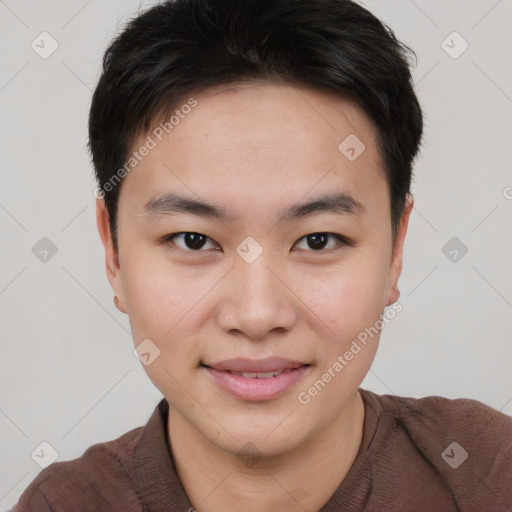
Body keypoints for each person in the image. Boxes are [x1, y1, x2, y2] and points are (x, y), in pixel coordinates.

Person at [11, 0, 512, 510]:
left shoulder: (490, 476)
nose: (256, 315)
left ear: (395, 249)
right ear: (113, 252)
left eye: (318, 240)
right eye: (194, 240)